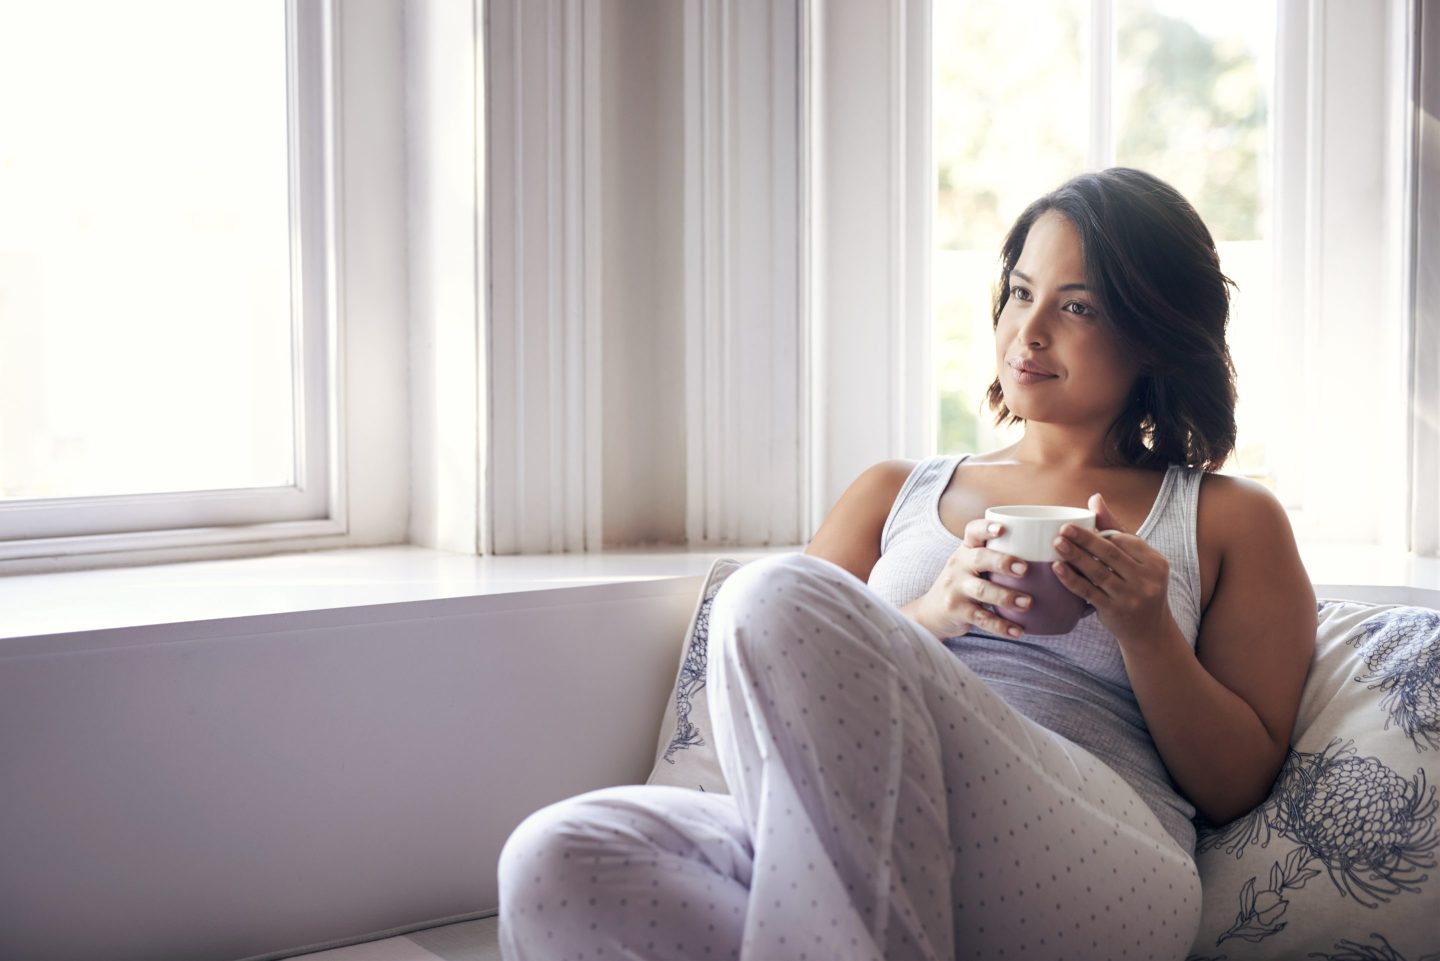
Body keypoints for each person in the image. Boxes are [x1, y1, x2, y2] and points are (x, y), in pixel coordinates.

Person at [495, 167, 1317, 961]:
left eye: (1078, 307)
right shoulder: (895, 491)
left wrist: (1147, 632)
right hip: (868, 852)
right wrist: (931, 616)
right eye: (1022, 293)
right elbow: (762, 693)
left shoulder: (1227, 516)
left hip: (1100, 861)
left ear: (1153, 334)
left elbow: (1237, 783)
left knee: (775, 591)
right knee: (556, 859)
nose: (1029, 332)